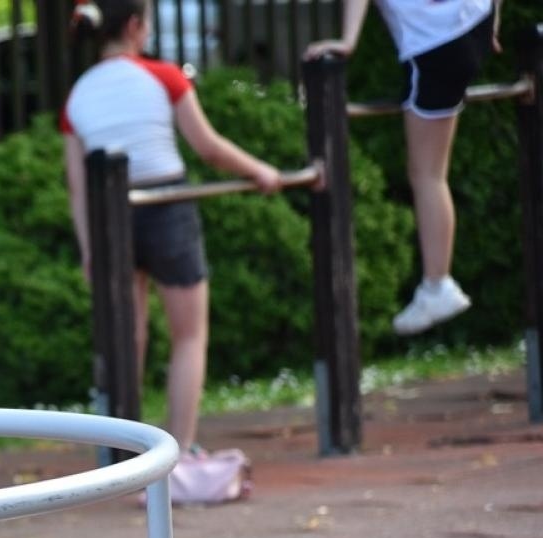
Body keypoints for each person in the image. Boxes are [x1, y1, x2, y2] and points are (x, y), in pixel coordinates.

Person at [61, 0, 281, 493]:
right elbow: (207, 146)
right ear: (136, 26)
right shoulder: (162, 76)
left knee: (129, 337)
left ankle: (128, 451)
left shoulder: (77, 95)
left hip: (111, 215)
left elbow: (77, 185)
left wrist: (88, 248)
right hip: (167, 203)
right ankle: (178, 449)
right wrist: (261, 171)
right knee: (188, 336)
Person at [306, 0, 500, 335]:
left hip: (433, 42)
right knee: (433, 173)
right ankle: (438, 284)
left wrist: (348, 41)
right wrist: (492, 24)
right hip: (475, 21)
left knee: (427, 174)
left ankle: (438, 284)